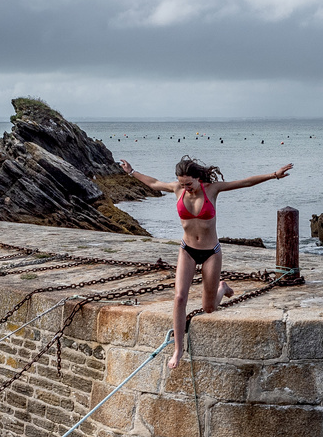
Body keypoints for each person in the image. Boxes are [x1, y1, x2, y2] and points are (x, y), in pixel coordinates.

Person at [118, 155, 293, 367]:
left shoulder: (212, 189)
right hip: (187, 250)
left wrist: (274, 175)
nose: (186, 188)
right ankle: (178, 349)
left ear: (198, 178)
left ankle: (222, 288)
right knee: (180, 297)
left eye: (189, 184)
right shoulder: (177, 190)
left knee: (209, 307)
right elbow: (154, 183)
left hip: (211, 252)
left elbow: (245, 182)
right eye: (182, 184)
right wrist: (131, 171)